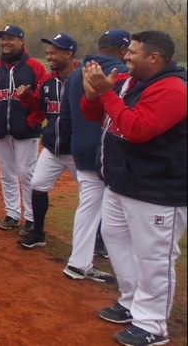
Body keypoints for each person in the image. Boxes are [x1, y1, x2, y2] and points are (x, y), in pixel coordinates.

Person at [81, 30, 186, 346]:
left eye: (133, 52)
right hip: (121, 182)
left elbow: (137, 129)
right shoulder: (133, 82)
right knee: (117, 243)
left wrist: (107, 94)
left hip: (157, 189)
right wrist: (92, 95)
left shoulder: (175, 89)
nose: (125, 56)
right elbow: (96, 116)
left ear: (154, 58)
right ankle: (130, 302)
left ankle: (153, 325)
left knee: (154, 258)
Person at [23, 30, 129, 283]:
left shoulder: (75, 76)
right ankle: (128, 279)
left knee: (90, 207)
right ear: (123, 50)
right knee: (122, 212)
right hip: (106, 152)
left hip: (80, 150)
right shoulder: (123, 75)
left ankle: (79, 262)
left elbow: (67, 118)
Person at [0, 25, 48, 232]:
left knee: (27, 173)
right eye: (3, 39)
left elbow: (43, 101)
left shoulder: (35, 68)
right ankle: (12, 214)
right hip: (1, 130)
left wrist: (31, 122)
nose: (5, 42)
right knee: (7, 173)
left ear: (21, 41)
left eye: (10, 39)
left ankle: (31, 217)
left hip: (26, 132)